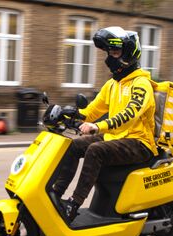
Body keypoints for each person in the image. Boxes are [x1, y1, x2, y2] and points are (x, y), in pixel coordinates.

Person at [51, 26, 158, 223]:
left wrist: (98, 127)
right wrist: (68, 114)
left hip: (139, 142)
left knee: (95, 150)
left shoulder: (141, 84)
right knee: (74, 145)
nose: (110, 57)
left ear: (128, 53)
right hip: (117, 137)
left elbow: (130, 114)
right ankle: (56, 195)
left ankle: (74, 205)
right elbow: (91, 111)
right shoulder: (112, 84)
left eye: (115, 52)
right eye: (109, 52)